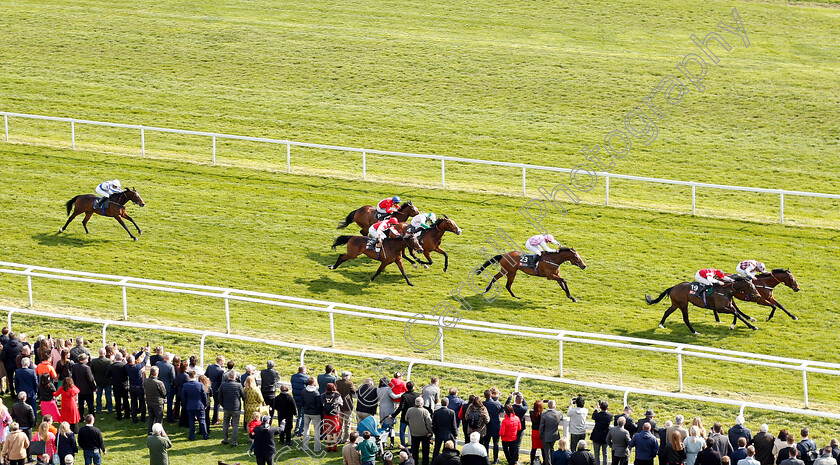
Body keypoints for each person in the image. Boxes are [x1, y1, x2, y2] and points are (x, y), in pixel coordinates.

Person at [219, 370, 245, 447]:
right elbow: (243, 395)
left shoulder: (223, 385)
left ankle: (225, 439)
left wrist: (223, 405)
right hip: (236, 407)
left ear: (228, 377)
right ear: (235, 377)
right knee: (235, 425)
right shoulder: (239, 385)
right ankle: (234, 441)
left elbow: (220, 397)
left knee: (225, 423)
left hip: (226, 407)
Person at [182, 370, 209, 441]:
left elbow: (183, 397)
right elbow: (204, 396)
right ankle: (205, 435)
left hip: (190, 406)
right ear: (195, 376)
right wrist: (205, 404)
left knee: (191, 422)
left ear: (189, 376)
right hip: (199, 405)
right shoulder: (200, 385)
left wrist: (185, 405)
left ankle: (192, 436)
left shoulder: (185, 385)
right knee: (202, 421)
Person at [407, 396, 434, 465]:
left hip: (414, 433)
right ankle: (425, 463)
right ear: (422, 403)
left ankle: (415, 462)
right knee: (425, 451)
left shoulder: (409, 410)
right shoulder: (425, 411)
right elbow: (429, 423)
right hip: (424, 434)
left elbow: (406, 419)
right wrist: (430, 432)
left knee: (415, 450)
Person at [393, 381, 420, 448]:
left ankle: (403, 446)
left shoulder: (404, 396)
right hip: (413, 416)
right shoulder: (417, 395)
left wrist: (393, 415)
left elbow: (401, 407)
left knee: (402, 432)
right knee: (413, 432)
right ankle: (414, 446)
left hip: (405, 416)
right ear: (413, 387)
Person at [126, 349, 149, 424]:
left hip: (132, 387)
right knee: (142, 402)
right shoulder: (137, 367)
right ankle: (143, 418)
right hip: (139, 387)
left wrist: (142, 351)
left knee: (133, 403)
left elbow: (134, 357)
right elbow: (144, 362)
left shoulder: (127, 366)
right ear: (133, 361)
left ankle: (134, 418)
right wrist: (147, 353)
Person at [105, 352, 129, 421]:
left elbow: (107, 376)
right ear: (121, 358)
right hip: (124, 385)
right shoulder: (124, 366)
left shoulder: (111, 366)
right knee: (125, 400)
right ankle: (127, 414)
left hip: (116, 385)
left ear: (115, 358)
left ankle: (119, 415)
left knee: (117, 401)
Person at [301, 376, 322, 452]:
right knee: (317, 431)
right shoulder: (316, 393)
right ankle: (317, 448)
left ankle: (305, 446)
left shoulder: (303, 391)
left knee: (306, 429)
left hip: (306, 412)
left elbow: (302, 402)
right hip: (315, 414)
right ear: (313, 383)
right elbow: (319, 405)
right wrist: (320, 413)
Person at [144, 366, 167, 434]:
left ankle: (150, 431)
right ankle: (158, 432)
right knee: (158, 418)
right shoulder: (159, 383)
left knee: (151, 417)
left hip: (149, 401)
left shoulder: (146, 381)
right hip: (158, 403)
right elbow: (164, 393)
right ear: (156, 373)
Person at [322, 382, 344, 452]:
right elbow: (341, 404)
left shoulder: (323, 395)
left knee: (328, 430)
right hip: (334, 415)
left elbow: (321, 403)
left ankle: (329, 446)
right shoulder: (337, 395)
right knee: (335, 431)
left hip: (326, 415)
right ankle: (334, 446)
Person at [482, 389, 503, 464]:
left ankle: (486, 458)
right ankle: (495, 459)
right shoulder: (497, 404)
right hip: (496, 426)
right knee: (496, 444)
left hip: (487, 426)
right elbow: (503, 409)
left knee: (486, 443)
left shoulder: (483, 404)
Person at [89, 349, 112, 415]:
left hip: (98, 381)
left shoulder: (94, 361)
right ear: (105, 353)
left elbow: (92, 371)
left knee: (98, 396)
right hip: (107, 381)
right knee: (108, 396)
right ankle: (109, 409)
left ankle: (98, 409)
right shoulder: (108, 361)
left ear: (99, 353)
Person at [155, 353, 176, 423]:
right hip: (168, 387)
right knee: (169, 403)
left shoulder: (158, 364)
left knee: (160, 403)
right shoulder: (170, 366)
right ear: (168, 358)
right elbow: (173, 378)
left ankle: (159, 416)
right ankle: (169, 417)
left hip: (159, 386)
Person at [336, 371, 356, 444]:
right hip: (347, 406)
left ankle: (338, 438)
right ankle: (345, 439)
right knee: (347, 424)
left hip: (339, 406)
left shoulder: (337, 382)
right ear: (347, 377)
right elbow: (354, 391)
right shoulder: (349, 384)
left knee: (339, 423)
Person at [542, 400, 564, 465]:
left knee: (547, 451)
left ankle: (548, 463)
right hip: (554, 435)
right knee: (551, 449)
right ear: (554, 406)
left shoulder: (544, 415)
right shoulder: (558, 413)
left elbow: (541, 426)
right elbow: (562, 416)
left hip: (546, 436)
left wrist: (541, 435)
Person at [206, 355, 226, 426]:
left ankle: (207, 418)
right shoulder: (221, 371)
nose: (224, 364)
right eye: (223, 362)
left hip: (208, 387)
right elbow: (221, 382)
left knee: (207, 403)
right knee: (216, 404)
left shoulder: (209, 367)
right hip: (217, 389)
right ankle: (214, 420)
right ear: (219, 362)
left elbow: (206, 376)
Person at [592, 401, 613, 465]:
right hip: (605, 437)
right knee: (605, 454)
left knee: (596, 454)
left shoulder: (597, 415)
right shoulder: (609, 416)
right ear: (607, 408)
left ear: (600, 407)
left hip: (596, 436)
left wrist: (596, 408)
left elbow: (593, 416)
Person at [530, 400, 545, 465]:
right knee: (543, 449)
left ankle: (532, 461)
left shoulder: (531, 413)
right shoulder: (543, 414)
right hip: (541, 432)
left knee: (533, 448)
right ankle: (545, 462)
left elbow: (531, 410)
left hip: (534, 432)